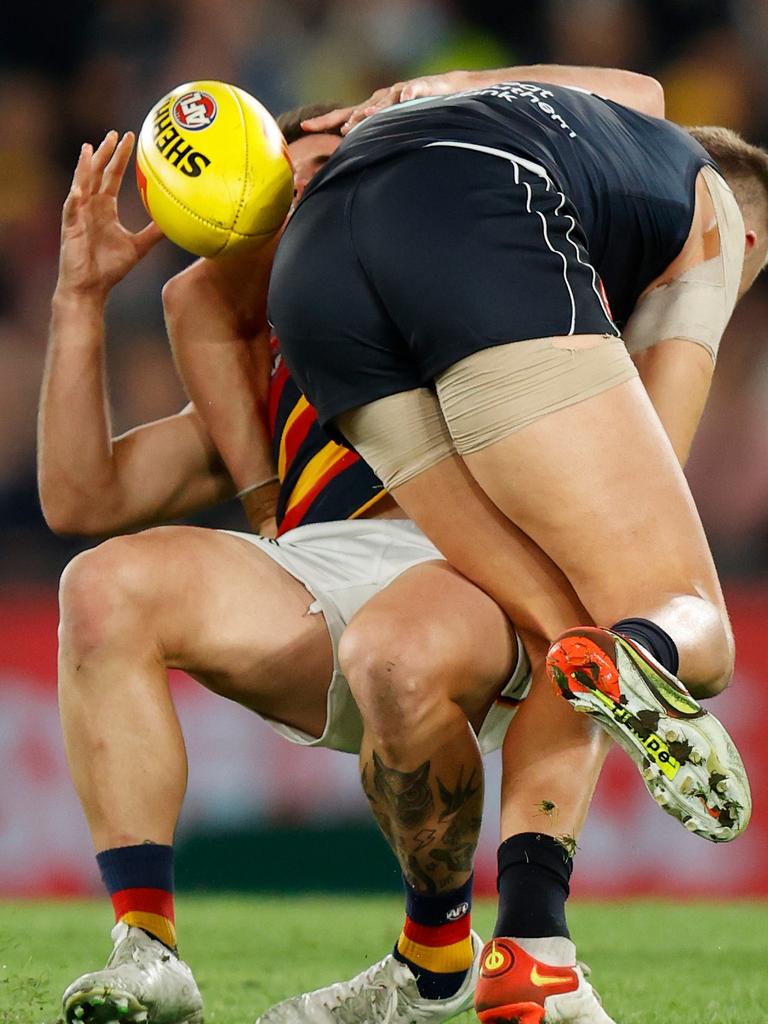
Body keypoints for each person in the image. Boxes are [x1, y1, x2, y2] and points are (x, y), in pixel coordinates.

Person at [42, 109, 613, 1024]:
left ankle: (434, 955)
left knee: (400, 651)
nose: (307, 189)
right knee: (100, 585)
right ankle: (146, 951)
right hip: (314, 582)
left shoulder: (483, 294)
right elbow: (80, 498)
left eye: (331, 170)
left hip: (479, 587)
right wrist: (78, 299)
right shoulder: (276, 377)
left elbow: (643, 105)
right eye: (288, 177)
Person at [263, 65, 767, 1018]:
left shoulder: (549, 121)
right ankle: (534, 930)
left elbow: (642, 88)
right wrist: (640, 637)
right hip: (480, 221)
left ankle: (529, 954)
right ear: (748, 241)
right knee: (679, 621)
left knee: (562, 626)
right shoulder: (712, 226)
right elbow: (641, 509)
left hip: (315, 269)